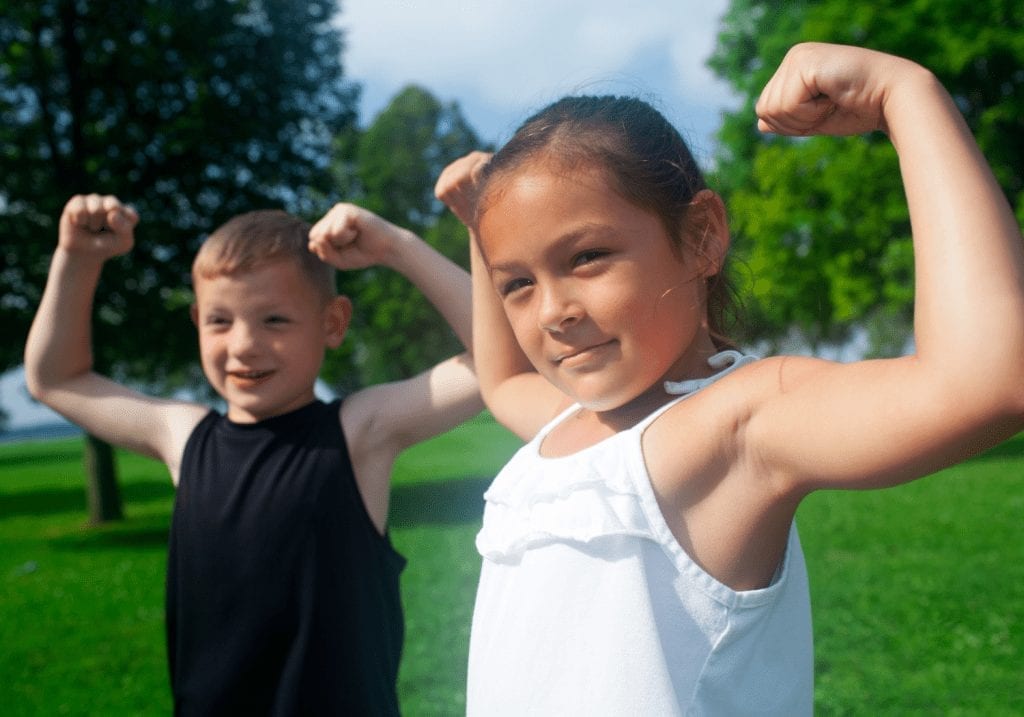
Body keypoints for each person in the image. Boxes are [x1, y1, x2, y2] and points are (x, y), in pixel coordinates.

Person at [435, 42, 1024, 715]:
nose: (553, 312)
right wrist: (466, 236)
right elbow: (501, 378)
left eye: (589, 256)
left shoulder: (740, 420)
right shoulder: (566, 425)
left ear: (703, 236)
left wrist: (907, 93)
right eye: (517, 282)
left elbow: (989, 380)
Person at [23, 196, 481, 715]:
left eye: (275, 320)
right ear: (196, 322)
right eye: (220, 321)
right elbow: (54, 378)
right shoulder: (184, 438)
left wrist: (398, 247)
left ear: (333, 323)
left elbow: (498, 359)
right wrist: (77, 257)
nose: (243, 345)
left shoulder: (358, 434)